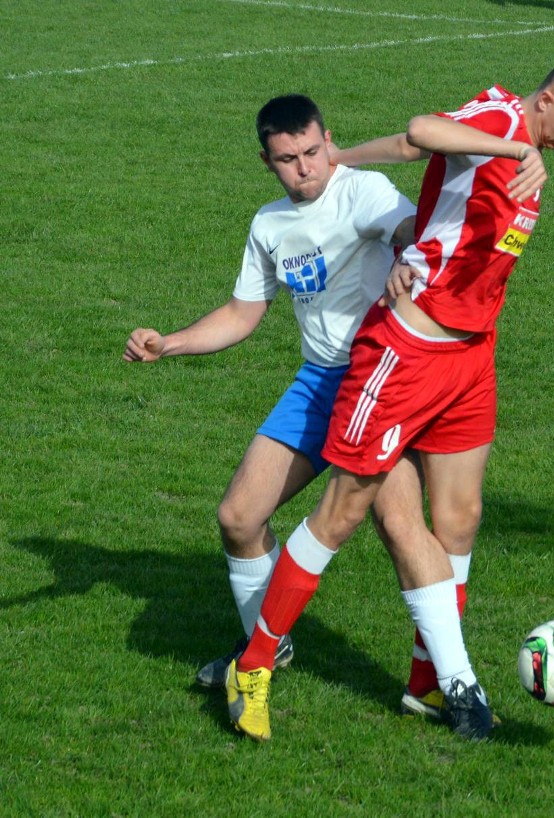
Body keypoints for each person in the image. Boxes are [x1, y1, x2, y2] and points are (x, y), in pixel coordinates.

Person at [228, 48, 554, 743]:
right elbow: (423, 129)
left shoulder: (524, 140)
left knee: (460, 517)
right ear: (550, 98)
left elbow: (412, 156)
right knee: (343, 512)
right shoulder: (503, 118)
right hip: (408, 351)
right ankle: (253, 664)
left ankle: (427, 685)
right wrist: (513, 146)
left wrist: (345, 154)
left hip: (473, 353)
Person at [124, 93, 427, 687]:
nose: (306, 167)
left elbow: (418, 229)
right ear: (267, 161)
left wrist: (409, 253)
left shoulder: (359, 191)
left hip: (378, 381)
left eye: (313, 151)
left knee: (401, 530)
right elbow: (242, 314)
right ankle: (268, 646)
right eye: (288, 158)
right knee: (238, 517)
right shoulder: (268, 225)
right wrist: (170, 343)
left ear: (327, 139)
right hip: (318, 382)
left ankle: (443, 678)